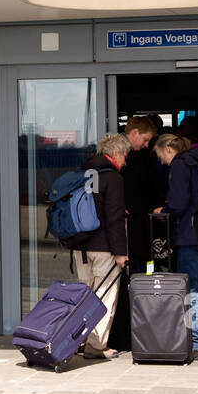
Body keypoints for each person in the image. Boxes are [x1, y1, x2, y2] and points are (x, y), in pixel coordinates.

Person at [153, 132, 198, 360]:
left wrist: (163, 211)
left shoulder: (181, 165)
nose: (162, 162)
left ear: (167, 149)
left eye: (160, 157)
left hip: (192, 236)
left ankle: (196, 343)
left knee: (192, 291)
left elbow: (179, 202)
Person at [75, 132, 130, 360]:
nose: (125, 161)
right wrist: (121, 253)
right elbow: (115, 218)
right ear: (115, 153)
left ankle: (79, 339)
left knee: (84, 295)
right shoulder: (113, 178)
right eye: (125, 156)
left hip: (80, 247)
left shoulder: (83, 173)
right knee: (104, 295)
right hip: (103, 247)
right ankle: (96, 346)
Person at [122, 115, 160, 272]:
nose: (147, 145)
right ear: (135, 132)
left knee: (145, 259)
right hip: (130, 221)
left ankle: (143, 289)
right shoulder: (117, 153)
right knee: (136, 260)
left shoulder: (145, 155)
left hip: (142, 220)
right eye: (145, 139)